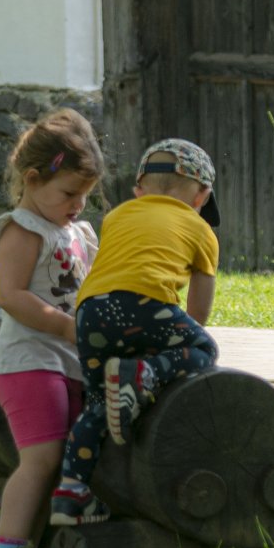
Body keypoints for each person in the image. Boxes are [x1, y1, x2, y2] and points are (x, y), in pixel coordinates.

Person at [48, 138, 220, 527]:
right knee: (204, 348)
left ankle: (71, 493)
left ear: (138, 190)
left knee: (98, 402)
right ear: (202, 196)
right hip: (146, 305)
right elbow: (198, 312)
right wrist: (163, 358)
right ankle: (145, 374)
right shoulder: (201, 230)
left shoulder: (117, 217)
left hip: (91, 312)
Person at [0, 110, 102, 548]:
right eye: (69, 193)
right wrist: (67, 327)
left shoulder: (77, 232)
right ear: (32, 179)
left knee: (69, 456)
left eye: (85, 195)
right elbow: (10, 295)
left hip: (68, 362)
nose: (79, 204)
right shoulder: (24, 230)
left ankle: (50, 542)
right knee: (42, 459)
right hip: (28, 362)